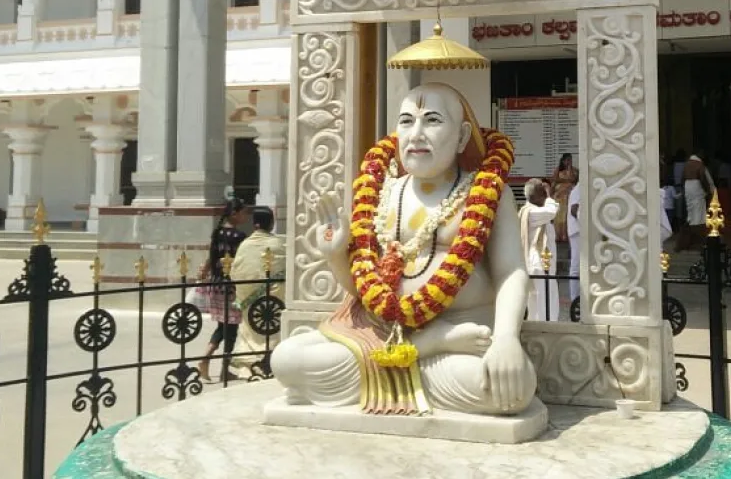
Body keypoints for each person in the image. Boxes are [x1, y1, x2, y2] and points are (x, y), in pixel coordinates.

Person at [272, 82, 538, 417]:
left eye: (433, 120)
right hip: (381, 332)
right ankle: (425, 346)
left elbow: (510, 272)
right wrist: (336, 254)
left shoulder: (487, 195)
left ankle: (399, 364)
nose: (416, 134)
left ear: (461, 136)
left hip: (464, 335)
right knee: (285, 359)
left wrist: (506, 339)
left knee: (512, 389)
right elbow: (366, 290)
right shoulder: (383, 194)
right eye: (407, 121)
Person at [229, 205, 287, 379]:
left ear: (255, 225)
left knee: (249, 329)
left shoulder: (245, 246)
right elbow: (288, 270)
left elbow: (235, 272)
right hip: (273, 301)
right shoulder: (277, 244)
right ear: (271, 224)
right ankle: (271, 361)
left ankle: (248, 364)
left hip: (250, 301)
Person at [196, 197, 248, 384]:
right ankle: (218, 365)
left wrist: (206, 271)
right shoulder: (239, 237)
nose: (245, 216)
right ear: (234, 214)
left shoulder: (217, 233)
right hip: (230, 287)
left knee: (222, 325)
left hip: (216, 284)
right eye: (243, 213)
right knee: (231, 328)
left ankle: (210, 361)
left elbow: (212, 256)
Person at [520, 179, 560, 322]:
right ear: (537, 196)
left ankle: (539, 325)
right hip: (539, 263)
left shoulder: (533, 211)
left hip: (540, 263)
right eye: (542, 194)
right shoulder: (531, 212)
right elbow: (552, 211)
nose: (545, 197)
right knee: (544, 298)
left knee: (538, 299)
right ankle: (546, 327)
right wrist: (549, 195)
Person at [550, 152, 579, 244]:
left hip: (570, 195)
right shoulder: (558, 170)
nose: (569, 162)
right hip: (559, 195)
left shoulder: (574, 170)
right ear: (563, 161)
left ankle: (566, 235)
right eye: (567, 160)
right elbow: (555, 180)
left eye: (570, 160)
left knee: (567, 214)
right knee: (559, 215)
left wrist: (570, 170)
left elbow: (574, 180)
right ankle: (559, 235)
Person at [682, 153, 715, 228]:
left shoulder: (686, 165)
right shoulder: (700, 165)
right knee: (698, 209)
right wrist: (707, 190)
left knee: (690, 209)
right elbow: (703, 178)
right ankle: (697, 227)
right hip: (696, 187)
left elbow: (682, 178)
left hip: (687, 186)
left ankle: (690, 224)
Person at [567, 180, 581, 306]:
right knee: (576, 267)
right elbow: (574, 209)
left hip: (581, 231)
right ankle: (574, 299)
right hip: (578, 231)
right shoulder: (580, 188)